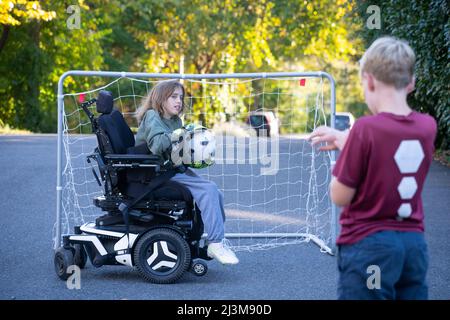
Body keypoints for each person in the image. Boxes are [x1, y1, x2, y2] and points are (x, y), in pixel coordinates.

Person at [310, 36, 437, 299]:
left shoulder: (365, 129)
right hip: (412, 246)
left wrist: (347, 151)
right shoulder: (427, 127)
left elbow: (339, 195)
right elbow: (389, 147)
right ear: (411, 82)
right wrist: (348, 142)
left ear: (369, 80)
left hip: (370, 247)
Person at [135, 80, 239, 265]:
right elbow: (158, 145)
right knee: (208, 190)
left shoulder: (175, 120)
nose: (179, 101)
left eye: (181, 97)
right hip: (154, 176)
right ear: (160, 98)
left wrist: (194, 152)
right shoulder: (152, 116)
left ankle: (216, 241)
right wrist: (181, 134)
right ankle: (215, 243)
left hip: (171, 169)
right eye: (173, 97)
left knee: (215, 192)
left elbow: (176, 150)